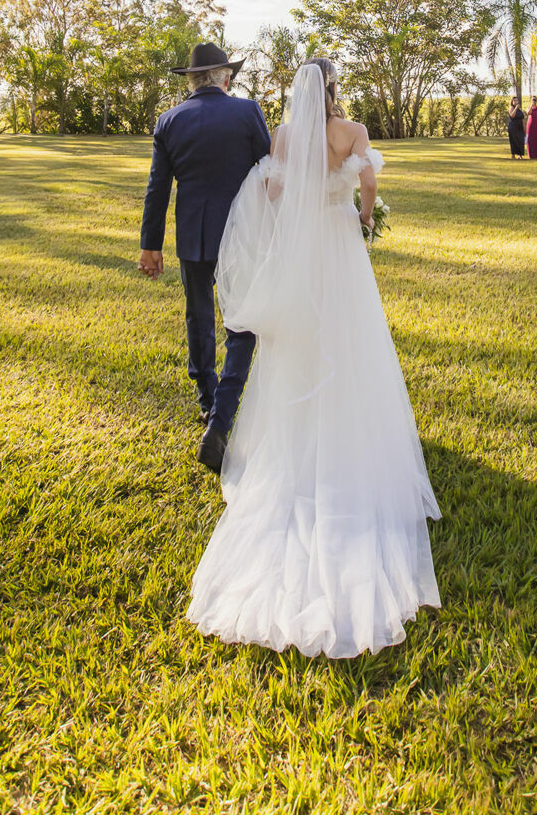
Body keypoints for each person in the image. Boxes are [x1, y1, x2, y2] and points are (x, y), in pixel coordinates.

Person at [186, 58, 440, 657]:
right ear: (333, 88)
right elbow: (370, 185)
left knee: (301, 346)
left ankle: (297, 441)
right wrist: (363, 215)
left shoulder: (283, 136)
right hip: (341, 247)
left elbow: (273, 190)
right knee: (350, 338)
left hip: (305, 251)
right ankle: (352, 430)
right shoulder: (349, 132)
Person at [139, 42, 270, 472]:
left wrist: (150, 245)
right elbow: (270, 174)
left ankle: (207, 401)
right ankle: (220, 419)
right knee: (243, 324)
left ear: (192, 80)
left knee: (199, 318)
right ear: (224, 77)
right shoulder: (247, 112)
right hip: (241, 235)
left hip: (192, 238)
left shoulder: (169, 121)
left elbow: (158, 190)